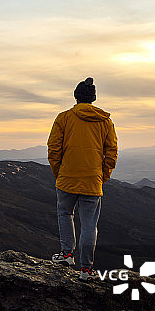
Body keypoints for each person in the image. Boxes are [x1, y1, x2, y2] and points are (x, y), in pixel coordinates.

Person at [47, 77, 118, 280]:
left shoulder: (64, 118)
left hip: (67, 177)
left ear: (76, 97)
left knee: (65, 213)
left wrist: (59, 172)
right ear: (93, 98)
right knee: (89, 225)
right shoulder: (105, 121)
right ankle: (86, 269)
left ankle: (67, 255)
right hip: (92, 181)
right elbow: (112, 152)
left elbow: (53, 148)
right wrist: (102, 176)